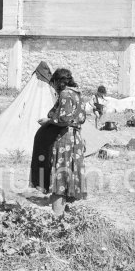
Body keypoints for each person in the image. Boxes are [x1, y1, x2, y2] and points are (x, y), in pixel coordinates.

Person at [30, 68, 87, 216]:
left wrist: (48, 121)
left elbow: (64, 119)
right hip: (75, 139)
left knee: (59, 177)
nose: (53, 87)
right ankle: (64, 213)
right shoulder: (77, 94)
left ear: (58, 82)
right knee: (69, 175)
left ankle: (57, 217)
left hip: (65, 140)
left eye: (53, 84)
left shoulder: (65, 94)